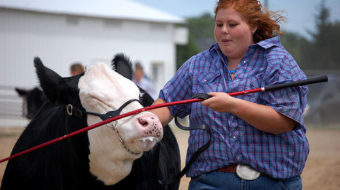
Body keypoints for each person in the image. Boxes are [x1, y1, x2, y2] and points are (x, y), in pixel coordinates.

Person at [151, 0, 309, 189]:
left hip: (274, 183)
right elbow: (167, 103)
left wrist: (232, 105)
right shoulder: (196, 65)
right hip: (209, 183)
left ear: (253, 26)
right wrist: (145, 121)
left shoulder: (278, 62)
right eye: (219, 25)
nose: (224, 30)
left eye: (232, 24)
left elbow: (283, 122)